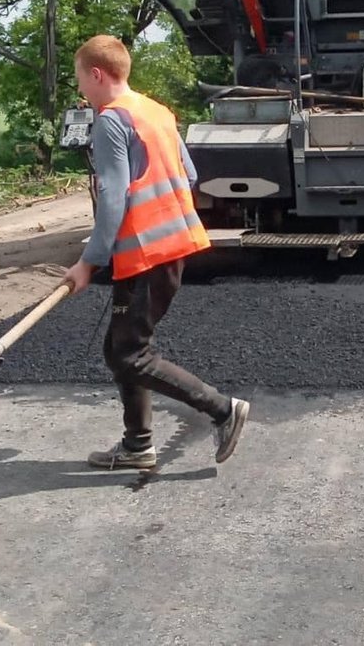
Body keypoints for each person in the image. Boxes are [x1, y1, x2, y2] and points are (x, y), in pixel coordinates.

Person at [61, 34, 249, 469]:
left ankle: (223, 409)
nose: (80, 90)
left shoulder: (111, 120)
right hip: (172, 247)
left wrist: (89, 261)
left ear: (96, 73)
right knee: (121, 349)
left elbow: (112, 197)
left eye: (80, 80)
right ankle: (137, 445)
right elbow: (189, 173)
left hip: (144, 255)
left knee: (130, 354)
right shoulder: (156, 112)